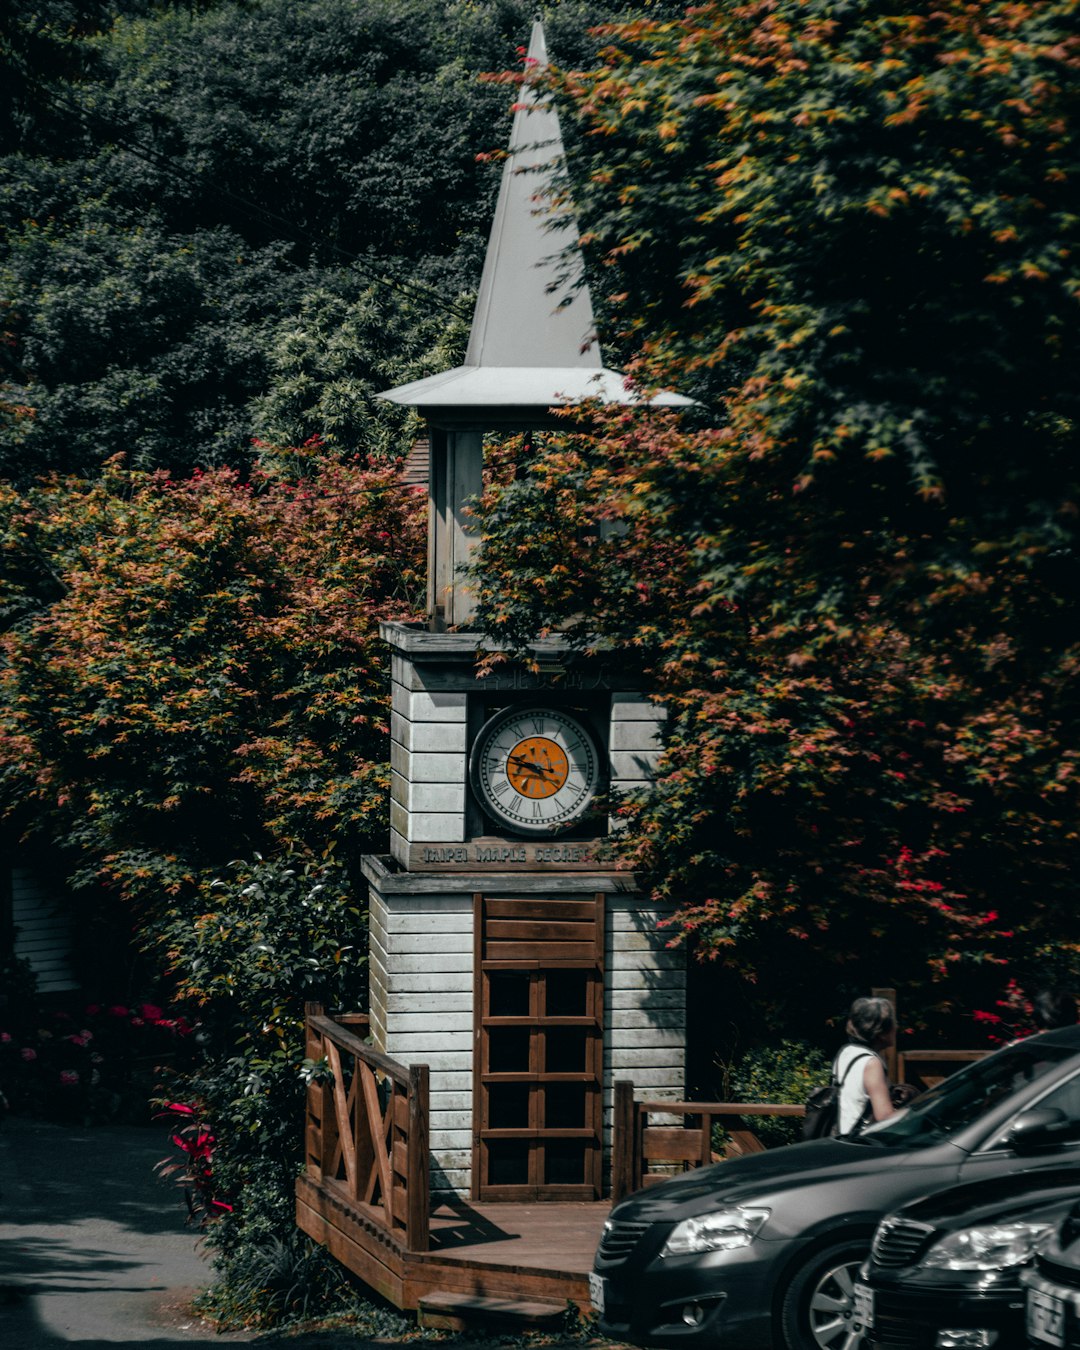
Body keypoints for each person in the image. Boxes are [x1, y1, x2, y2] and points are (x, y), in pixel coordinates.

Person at [835, 995, 904, 1136]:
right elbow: (884, 1116)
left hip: (843, 1138)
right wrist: (915, 1113)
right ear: (880, 1032)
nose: (896, 1027)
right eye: (893, 1023)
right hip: (861, 1143)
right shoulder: (872, 1064)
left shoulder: (846, 1052)